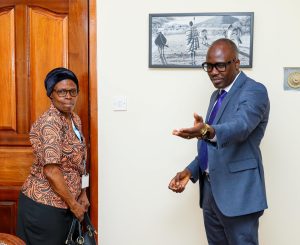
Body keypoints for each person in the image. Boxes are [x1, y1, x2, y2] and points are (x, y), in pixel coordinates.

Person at [168, 38, 270, 245]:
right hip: (211, 195)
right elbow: (214, 145)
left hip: (239, 195)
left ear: (237, 63)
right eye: (209, 66)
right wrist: (190, 171)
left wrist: (204, 129)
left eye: (220, 65)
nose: (214, 72)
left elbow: (239, 127)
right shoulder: (217, 95)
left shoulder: (254, 91)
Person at [17, 67, 90, 245]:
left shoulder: (74, 119)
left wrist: (83, 192)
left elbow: (81, 160)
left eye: (73, 91)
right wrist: (74, 206)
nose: (68, 96)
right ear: (51, 94)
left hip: (69, 203)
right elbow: (51, 171)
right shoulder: (50, 123)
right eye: (62, 91)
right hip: (45, 207)